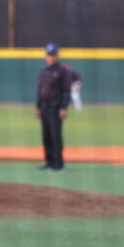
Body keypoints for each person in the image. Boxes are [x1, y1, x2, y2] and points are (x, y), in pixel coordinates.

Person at [35, 43, 73, 171]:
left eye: (53, 54)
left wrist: (64, 107)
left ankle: (58, 164)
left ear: (57, 55)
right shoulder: (43, 71)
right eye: (49, 54)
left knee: (55, 135)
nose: (50, 57)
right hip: (44, 107)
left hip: (56, 107)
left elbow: (66, 91)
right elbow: (40, 90)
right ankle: (49, 162)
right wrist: (38, 107)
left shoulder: (62, 71)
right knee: (46, 136)